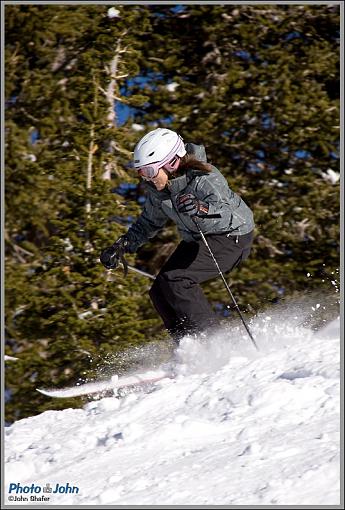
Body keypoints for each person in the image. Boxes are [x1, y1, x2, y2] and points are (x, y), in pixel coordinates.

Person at [100, 128, 255, 344]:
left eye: (150, 171)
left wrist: (201, 208)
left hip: (231, 236)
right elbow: (149, 222)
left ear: (172, 163)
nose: (147, 178)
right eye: (142, 172)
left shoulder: (205, 178)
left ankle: (213, 344)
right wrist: (122, 246)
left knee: (178, 280)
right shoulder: (160, 191)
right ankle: (187, 347)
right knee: (160, 289)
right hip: (199, 238)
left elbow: (228, 214)